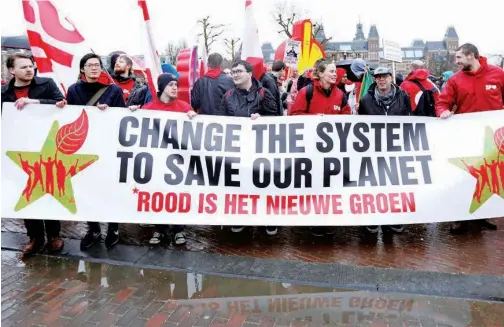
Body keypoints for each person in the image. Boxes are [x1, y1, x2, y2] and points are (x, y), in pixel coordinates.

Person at [435, 43, 504, 233]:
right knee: (463, 176)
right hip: (466, 137)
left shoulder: (498, 74)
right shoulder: (456, 80)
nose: (456, 62)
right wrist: (442, 111)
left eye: (459, 58)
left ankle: (483, 215)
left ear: (471, 55)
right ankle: (459, 218)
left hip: (493, 140)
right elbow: (443, 101)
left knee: (489, 176)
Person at [1, 53, 65, 256]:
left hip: (47, 148)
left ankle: (54, 235)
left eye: (31, 66)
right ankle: (35, 238)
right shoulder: (4, 93)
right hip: (19, 151)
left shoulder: (47, 84)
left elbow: (62, 104)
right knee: (27, 193)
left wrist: (34, 102)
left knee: (49, 190)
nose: (29, 70)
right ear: (12, 71)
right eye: (24, 67)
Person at [61, 53, 125, 250]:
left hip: (108, 147)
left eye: (98, 65)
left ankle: (113, 228)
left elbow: (121, 117)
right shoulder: (73, 90)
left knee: (110, 189)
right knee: (87, 190)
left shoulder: (113, 90)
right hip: (84, 147)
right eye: (90, 65)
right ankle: (94, 228)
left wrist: (110, 112)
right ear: (82, 69)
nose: (95, 68)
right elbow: (69, 117)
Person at [219, 60, 279, 235]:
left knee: (264, 184)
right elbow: (221, 122)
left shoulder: (264, 93)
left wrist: (261, 118)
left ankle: (267, 219)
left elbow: (276, 119)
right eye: (233, 72)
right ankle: (242, 217)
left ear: (249, 74)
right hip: (239, 149)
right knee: (241, 184)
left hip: (261, 149)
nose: (235, 74)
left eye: (239, 71)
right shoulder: (228, 96)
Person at [136, 73, 197, 245]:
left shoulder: (185, 107)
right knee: (159, 194)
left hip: (178, 163)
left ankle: (179, 230)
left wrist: (195, 119)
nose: (175, 87)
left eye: (176, 84)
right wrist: (133, 112)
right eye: (170, 84)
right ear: (161, 87)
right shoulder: (148, 108)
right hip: (157, 162)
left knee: (178, 195)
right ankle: (159, 229)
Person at [359, 66, 412, 234]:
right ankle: (373, 218)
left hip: (396, 147)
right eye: (378, 77)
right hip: (374, 148)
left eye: (385, 77)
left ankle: (393, 218)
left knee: (394, 184)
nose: (381, 80)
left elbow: (410, 119)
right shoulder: (366, 99)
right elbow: (360, 124)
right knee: (374, 184)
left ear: (391, 78)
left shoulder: (403, 96)